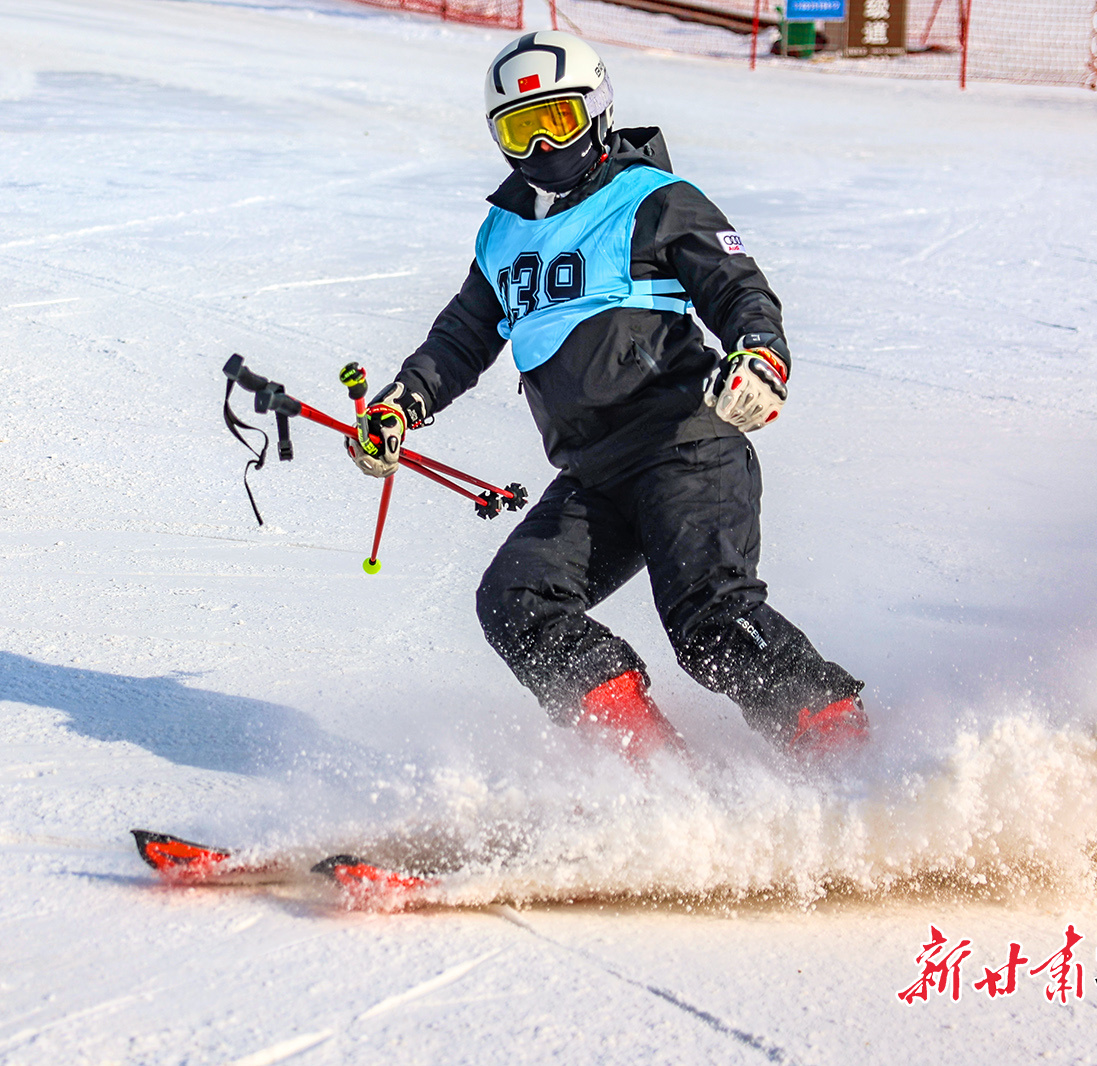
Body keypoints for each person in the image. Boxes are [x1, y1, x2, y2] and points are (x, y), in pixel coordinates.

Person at [347, 31, 867, 764]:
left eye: (556, 121)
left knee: (711, 619)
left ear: (597, 112)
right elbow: (461, 337)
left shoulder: (654, 199)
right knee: (517, 601)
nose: (541, 147)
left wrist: (760, 354)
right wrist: (400, 403)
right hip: (594, 474)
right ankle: (649, 769)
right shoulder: (502, 234)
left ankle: (842, 749)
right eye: (520, 131)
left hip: (684, 445)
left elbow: (737, 288)